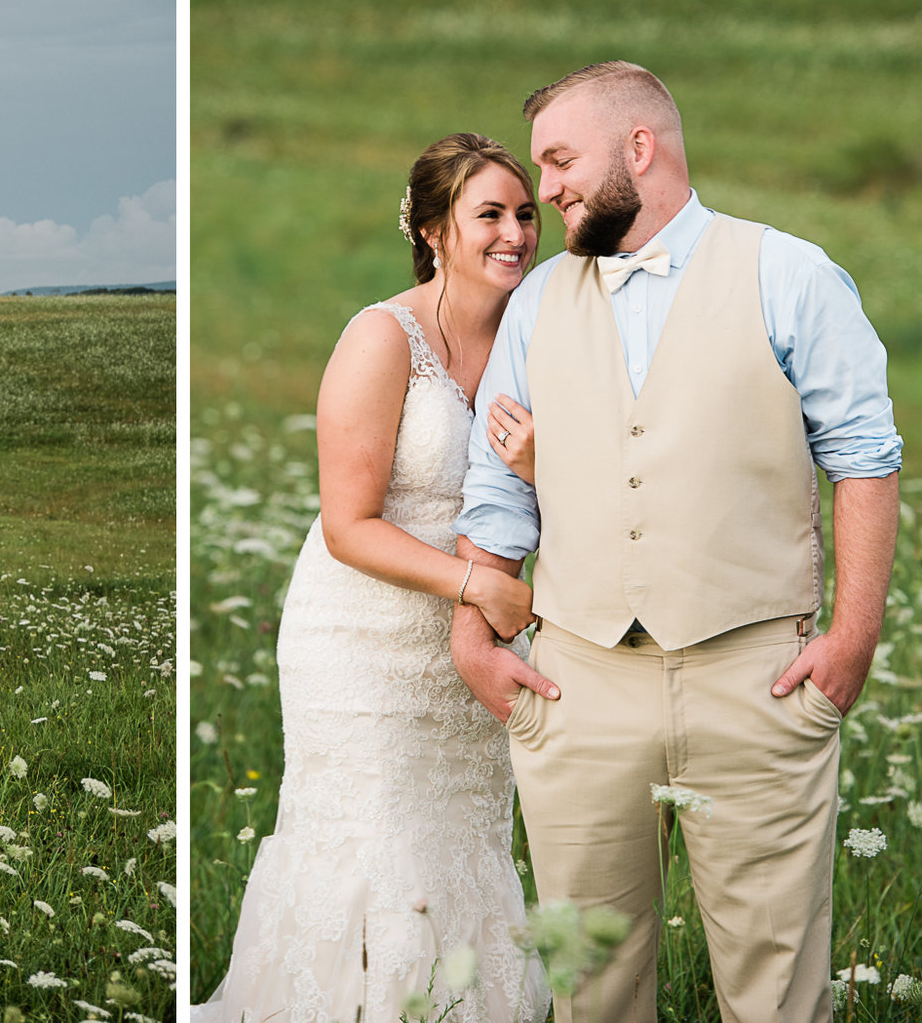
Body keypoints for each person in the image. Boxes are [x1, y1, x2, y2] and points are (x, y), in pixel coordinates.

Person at [450, 61, 901, 1022]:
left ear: (640, 148)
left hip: (757, 679)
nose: (550, 190)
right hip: (578, 681)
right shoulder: (537, 305)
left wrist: (854, 637)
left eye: (563, 161)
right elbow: (497, 482)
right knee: (591, 990)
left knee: (776, 991)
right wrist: (473, 628)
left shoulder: (790, 274)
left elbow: (864, 460)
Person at [196, 133, 551, 1023]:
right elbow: (348, 526)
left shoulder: (540, 340)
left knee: (462, 844)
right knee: (377, 845)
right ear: (432, 231)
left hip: (470, 650)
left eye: (525, 214)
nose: (515, 233)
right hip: (365, 641)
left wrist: (545, 469)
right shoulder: (381, 336)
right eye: (490, 215)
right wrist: (476, 587)